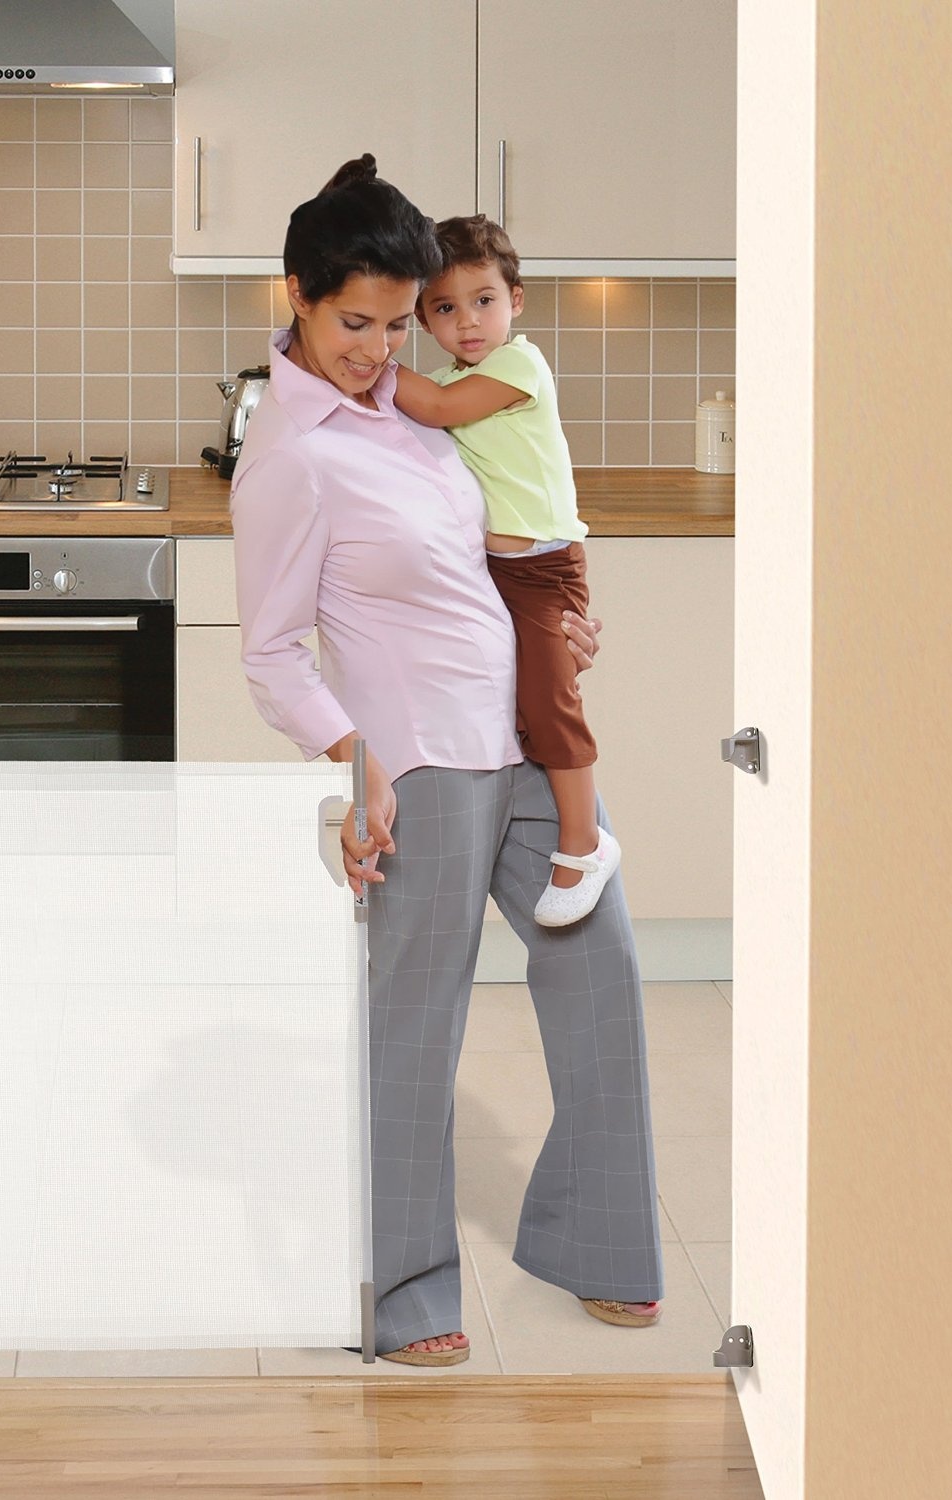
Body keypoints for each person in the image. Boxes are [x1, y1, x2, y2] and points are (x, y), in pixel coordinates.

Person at [230, 156, 664, 1367]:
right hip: (421, 763)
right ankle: (406, 1290)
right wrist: (351, 750)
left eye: (392, 321)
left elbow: (503, 547)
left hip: (522, 737)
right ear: (301, 301)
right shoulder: (291, 454)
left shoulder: (417, 409)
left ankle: (595, 1238)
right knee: (417, 1031)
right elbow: (270, 655)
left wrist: (570, 624)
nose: (376, 349)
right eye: (352, 323)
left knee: (603, 970)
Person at [393, 215, 615, 927]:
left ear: (515, 299)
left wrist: (370, 360)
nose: (467, 322)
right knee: (521, 700)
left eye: (483, 300)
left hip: (546, 571)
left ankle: (584, 840)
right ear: (426, 318)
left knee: (551, 702)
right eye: (445, 308)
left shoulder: (517, 366)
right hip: (502, 575)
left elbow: (435, 407)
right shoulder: (456, 373)